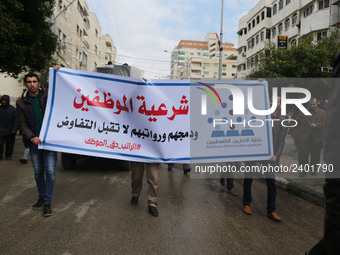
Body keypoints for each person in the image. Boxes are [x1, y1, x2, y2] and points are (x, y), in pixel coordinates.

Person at [16, 72, 57, 217]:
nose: (32, 84)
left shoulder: (48, 95)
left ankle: (47, 202)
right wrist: (31, 136)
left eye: (34, 81)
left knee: (50, 171)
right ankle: (41, 196)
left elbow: (61, 88)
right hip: (34, 142)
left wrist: (59, 71)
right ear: (25, 84)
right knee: (38, 171)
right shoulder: (21, 102)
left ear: (39, 83)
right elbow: (22, 123)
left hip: (50, 142)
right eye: (29, 82)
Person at [243, 96, 287, 222]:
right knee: (248, 177)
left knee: (271, 182)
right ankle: (246, 203)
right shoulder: (259, 116)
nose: (274, 103)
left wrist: (276, 155)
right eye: (272, 100)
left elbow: (281, 141)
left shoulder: (281, 121)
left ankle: (271, 210)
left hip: (270, 156)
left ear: (280, 105)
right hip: (255, 152)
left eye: (278, 101)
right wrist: (257, 83)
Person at [295, 97, 326, 176]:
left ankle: (313, 170)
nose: (312, 106)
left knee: (315, 155)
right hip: (304, 137)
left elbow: (325, 123)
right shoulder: (302, 111)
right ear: (308, 104)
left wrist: (316, 125)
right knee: (302, 154)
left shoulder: (322, 112)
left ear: (317, 103)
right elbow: (297, 121)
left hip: (316, 137)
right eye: (311, 104)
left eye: (314, 104)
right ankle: (303, 171)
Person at [0, 95, 18, 160]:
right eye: (2, 100)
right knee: (0, 144)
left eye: (4, 100)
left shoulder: (12, 109)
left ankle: (8, 155)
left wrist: (14, 129)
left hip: (10, 130)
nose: (3, 102)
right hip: (1, 129)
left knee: (9, 144)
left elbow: (15, 120)